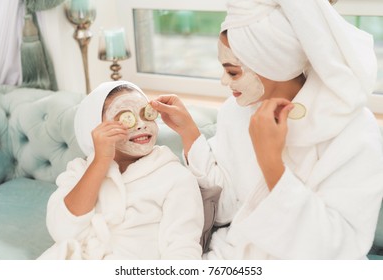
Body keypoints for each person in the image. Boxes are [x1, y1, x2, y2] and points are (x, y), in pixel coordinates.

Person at [150, 0, 383, 259]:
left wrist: (272, 164)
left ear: (273, 63)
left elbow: (337, 248)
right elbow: (226, 207)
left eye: (234, 72)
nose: (224, 81)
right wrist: (189, 133)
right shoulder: (236, 111)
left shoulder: (353, 129)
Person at [38, 81, 204, 260]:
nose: (141, 124)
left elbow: (182, 249)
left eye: (145, 114)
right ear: (94, 129)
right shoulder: (79, 170)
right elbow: (62, 231)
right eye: (125, 118)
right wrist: (100, 161)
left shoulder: (176, 177)